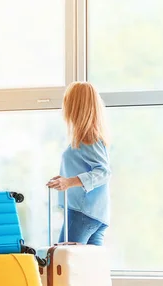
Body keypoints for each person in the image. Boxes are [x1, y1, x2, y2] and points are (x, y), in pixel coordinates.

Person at [47, 81, 111, 246]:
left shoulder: (89, 138)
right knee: (88, 268)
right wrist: (64, 179)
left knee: (62, 263)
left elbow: (103, 172)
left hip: (83, 213)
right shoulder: (88, 137)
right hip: (94, 214)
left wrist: (69, 182)